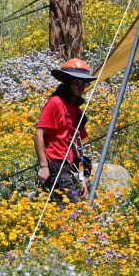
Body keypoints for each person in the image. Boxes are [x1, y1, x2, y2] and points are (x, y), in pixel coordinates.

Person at [35, 58, 96, 203]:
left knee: (67, 205)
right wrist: (44, 166)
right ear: (68, 81)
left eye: (86, 83)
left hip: (70, 164)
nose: (83, 87)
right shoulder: (55, 102)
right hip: (55, 163)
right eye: (79, 82)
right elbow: (38, 134)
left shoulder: (75, 109)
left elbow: (77, 145)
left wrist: (81, 178)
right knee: (71, 204)